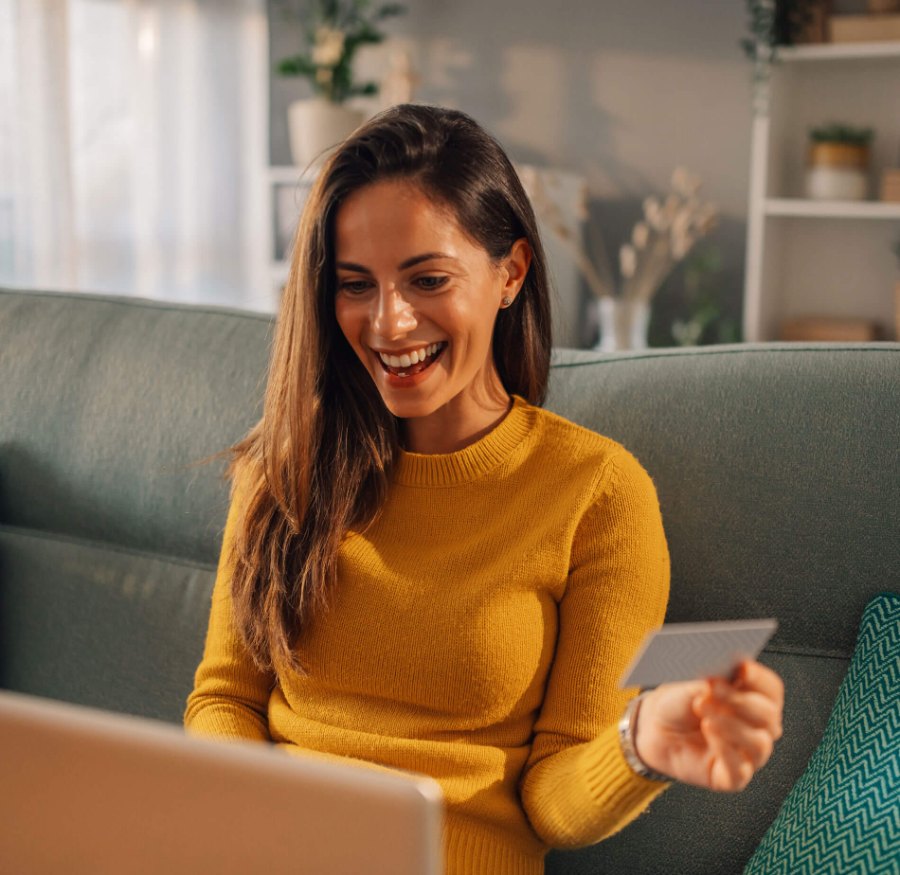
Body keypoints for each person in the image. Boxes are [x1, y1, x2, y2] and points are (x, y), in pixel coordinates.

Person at [184, 104, 784, 875]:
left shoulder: (597, 493)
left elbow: (553, 800)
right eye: (355, 285)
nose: (389, 323)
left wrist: (640, 747)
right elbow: (224, 699)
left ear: (511, 272)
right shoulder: (285, 468)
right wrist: (255, 818)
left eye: (427, 279)